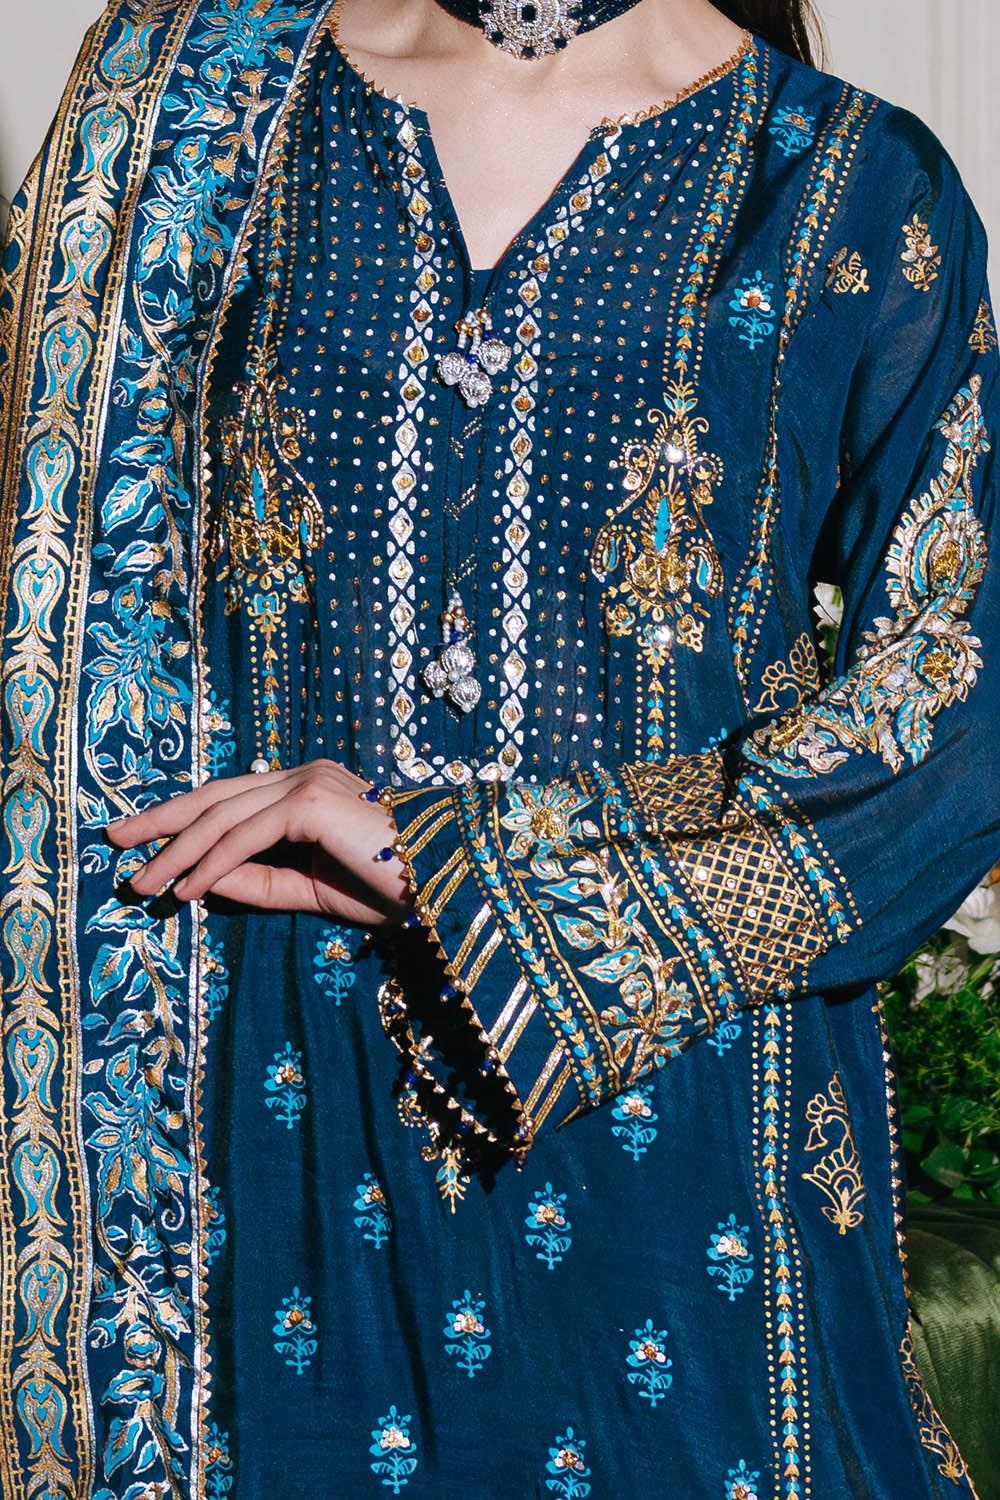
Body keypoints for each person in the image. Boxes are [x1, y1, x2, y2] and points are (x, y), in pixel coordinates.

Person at [0, 0, 997, 1493]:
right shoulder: (187, 114)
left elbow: (958, 708)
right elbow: (56, 626)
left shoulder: (847, 177)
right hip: (251, 1119)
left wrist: (453, 864)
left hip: (680, 1132)